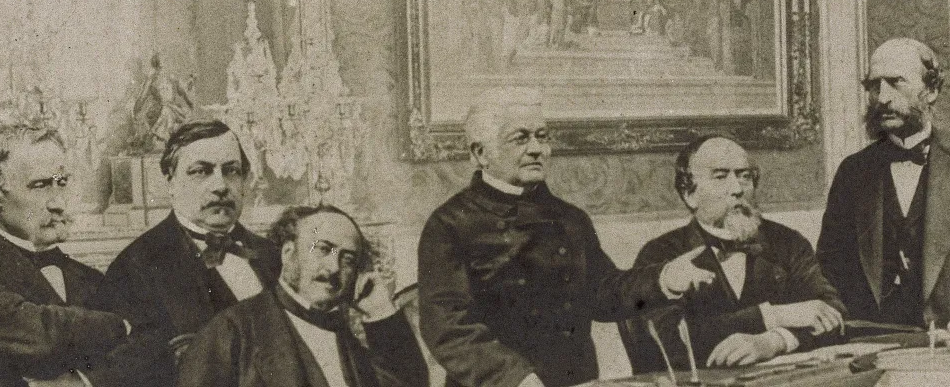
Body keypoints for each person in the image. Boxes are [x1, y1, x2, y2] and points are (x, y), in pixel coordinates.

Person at [417, 88, 682, 387]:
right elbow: (448, 327)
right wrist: (515, 378)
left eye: (542, 137)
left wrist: (664, 279)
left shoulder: (571, 218)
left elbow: (602, 293)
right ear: (481, 153)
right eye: (520, 138)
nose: (536, 149)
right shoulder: (449, 224)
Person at [816, 38, 950, 329]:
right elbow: (829, 272)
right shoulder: (853, 172)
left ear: (931, 90)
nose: (882, 97)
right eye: (874, 85)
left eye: (896, 82)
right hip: (873, 339)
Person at [0, 125, 130, 386]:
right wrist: (124, 326)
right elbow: (43, 335)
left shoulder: (91, 278)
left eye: (62, 183)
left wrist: (84, 381)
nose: (58, 203)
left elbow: (146, 359)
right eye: (40, 185)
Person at [92, 120, 284, 386]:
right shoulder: (133, 267)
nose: (220, 186)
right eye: (201, 171)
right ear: (170, 183)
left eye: (231, 171)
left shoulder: (274, 255)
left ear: (244, 182)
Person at [627, 136, 844, 369]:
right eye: (720, 177)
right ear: (689, 194)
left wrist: (776, 341)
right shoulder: (660, 253)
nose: (737, 189)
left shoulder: (787, 242)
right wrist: (770, 316)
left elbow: (832, 310)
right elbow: (668, 340)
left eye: (745, 176)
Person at [179, 206, 428, 387]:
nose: (333, 268)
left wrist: (381, 312)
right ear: (288, 253)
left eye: (348, 259)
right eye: (323, 249)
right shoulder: (232, 330)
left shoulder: (349, 340)